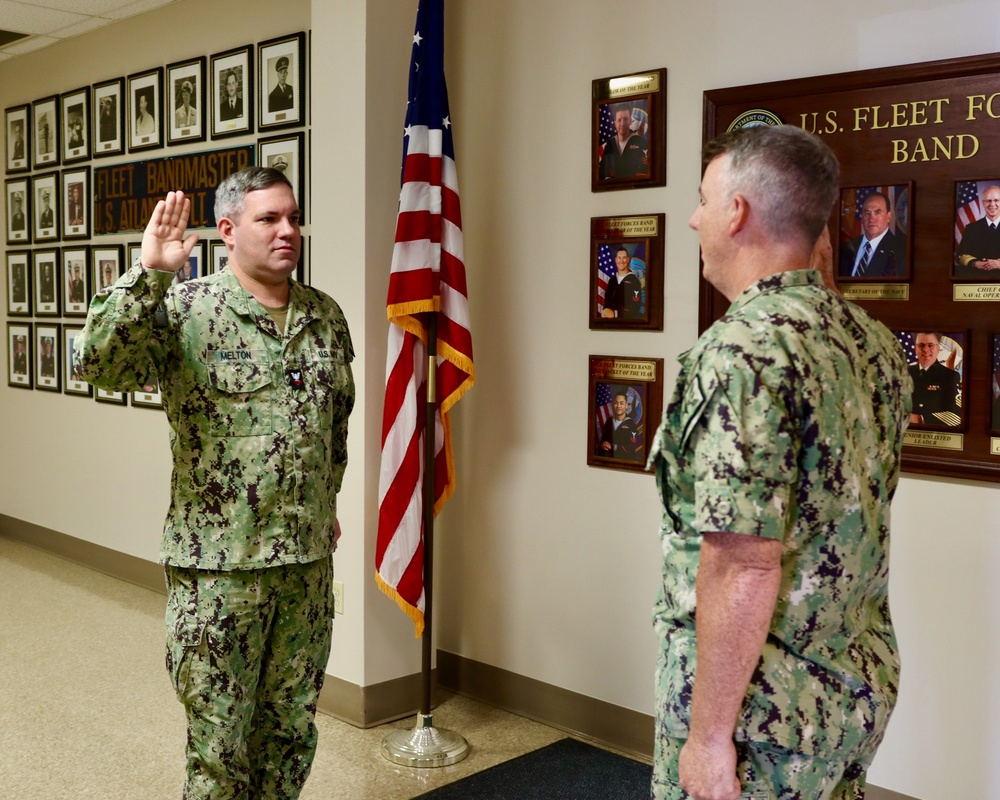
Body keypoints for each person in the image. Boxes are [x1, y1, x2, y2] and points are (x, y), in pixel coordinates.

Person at [649, 125, 912, 800]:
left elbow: (743, 559)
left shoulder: (742, 352)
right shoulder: (873, 343)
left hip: (760, 722)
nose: (694, 217)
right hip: (847, 692)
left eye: (704, 199)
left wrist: (708, 740)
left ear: (737, 212)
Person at [74, 166, 354, 799]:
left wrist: (326, 500)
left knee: (288, 733)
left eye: (293, 217)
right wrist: (149, 275)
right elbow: (96, 361)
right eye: (269, 219)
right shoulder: (185, 309)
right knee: (220, 748)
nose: (288, 230)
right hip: (219, 572)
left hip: (304, 568)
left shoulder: (324, 317)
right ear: (228, 231)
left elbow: (333, 424)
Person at [838, 192, 907, 278]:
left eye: (877, 213)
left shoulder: (902, 250)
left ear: (888, 217)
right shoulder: (847, 247)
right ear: (862, 217)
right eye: (867, 213)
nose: (871, 219)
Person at [908, 332, 961, 426]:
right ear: (915, 349)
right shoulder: (904, 373)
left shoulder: (950, 376)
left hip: (934, 435)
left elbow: (956, 416)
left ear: (938, 348)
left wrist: (920, 418)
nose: (925, 350)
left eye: (930, 345)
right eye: (921, 345)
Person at [955, 185, 1000, 278]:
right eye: (988, 201)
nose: (992, 204)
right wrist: (976, 263)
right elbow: (961, 255)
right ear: (983, 203)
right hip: (977, 278)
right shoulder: (972, 228)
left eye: (996, 200)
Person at [599, 103, 648, 180]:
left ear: (630, 121)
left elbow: (645, 170)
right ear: (615, 123)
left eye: (625, 119)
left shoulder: (640, 142)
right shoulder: (609, 145)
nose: (622, 124)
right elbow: (603, 172)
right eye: (619, 120)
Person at [597, 387, 642, 461]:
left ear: (626, 405)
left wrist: (612, 446)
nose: (618, 406)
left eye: (621, 403)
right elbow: (603, 441)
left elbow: (630, 449)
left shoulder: (631, 425)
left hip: (624, 462)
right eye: (616, 403)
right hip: (608, 461)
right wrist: (604, 445)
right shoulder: (609, 421)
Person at [601, 246, 643, 320]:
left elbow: (634, 309)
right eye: (619, 258)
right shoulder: (612, 280)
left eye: (624, 258)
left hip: (626, 324)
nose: (621, 261)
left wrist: (615, 313)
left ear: (627, 260)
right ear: (616, 260)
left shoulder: (634, 281)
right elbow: (606, 303)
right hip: (609, 323)